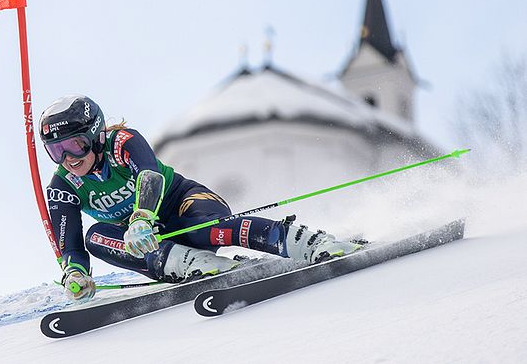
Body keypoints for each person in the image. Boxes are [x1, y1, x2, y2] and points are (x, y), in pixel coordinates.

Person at [40, 95, 361, 300]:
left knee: (201, 228)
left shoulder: (122, 141)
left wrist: (141, 216)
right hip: (156, 244)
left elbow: (148, 174)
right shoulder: (64, 185)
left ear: (96, 135)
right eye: (56, 151)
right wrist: (75, 273)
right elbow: (71, 243)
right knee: (97, 236)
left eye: (76, 145)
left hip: (184, 204)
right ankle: (197, 265)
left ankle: (310, 243)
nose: (68, 157)